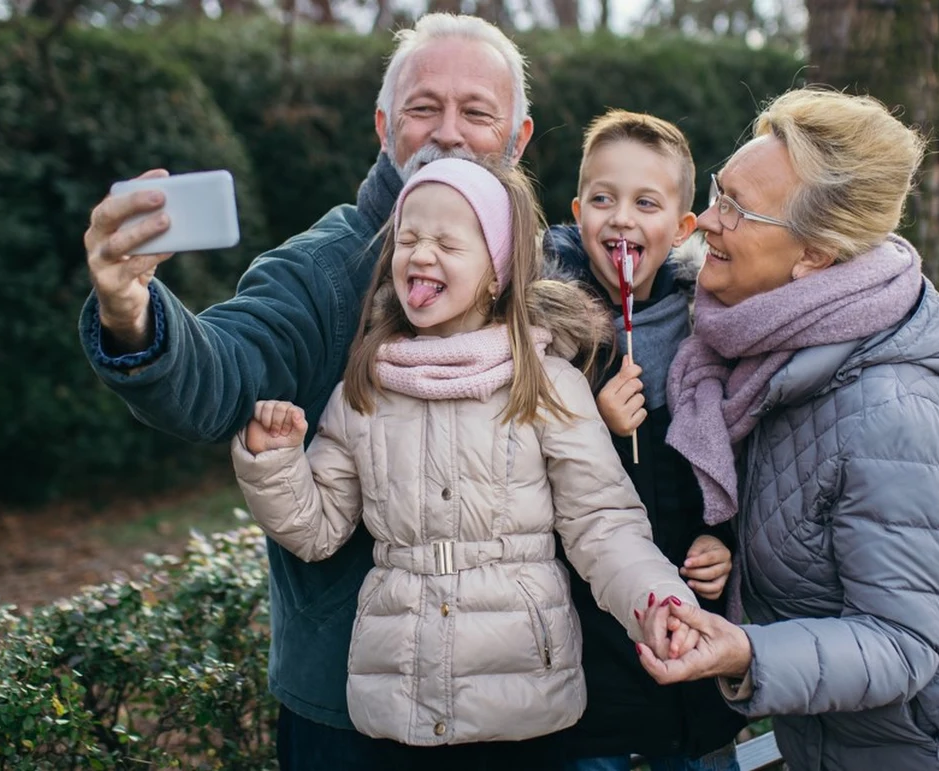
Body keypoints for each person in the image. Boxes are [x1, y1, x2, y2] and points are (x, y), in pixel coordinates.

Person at [634, 87, 939, 771]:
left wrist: (749, 652)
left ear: (815, 255)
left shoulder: (889, 410)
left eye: (736, 208)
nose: (706, 221)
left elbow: (901, 643)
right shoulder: (760, 354)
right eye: (719, 190)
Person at [78, 14, 534, 769]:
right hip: (351, 714)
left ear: (517, 139)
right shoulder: (323, 271)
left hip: (525, 709)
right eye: (424, 108)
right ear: (386, 126)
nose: (448, 132)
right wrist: (132, 312)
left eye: (477, 112)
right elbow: (222, 373)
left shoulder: (548, 273)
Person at [232, 157, 701, 770]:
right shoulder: (364, 389)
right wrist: (274, 464)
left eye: (448, 243)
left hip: (524, 704)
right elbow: (317, 530)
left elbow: (603, 525)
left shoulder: (548, 384)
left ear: (495, 273)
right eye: (408, 239)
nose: (421, 254)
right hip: (398, 701)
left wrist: (658, 601)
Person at [543, 110, 744, 771]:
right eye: (603, 198)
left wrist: (724, 536)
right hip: (593, 662)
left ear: (683, 227)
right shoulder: (552, 331)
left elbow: (739, 458)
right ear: (578, 213)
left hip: (694, 649)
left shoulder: (706, 333)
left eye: (646, 202)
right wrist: (591, 423)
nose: (621, 217)